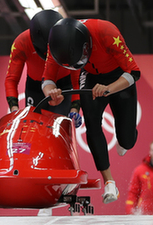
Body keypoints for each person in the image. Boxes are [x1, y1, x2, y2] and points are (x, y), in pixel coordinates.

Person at [42, 17, 141, 205]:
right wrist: (51, 93)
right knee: (92, 123)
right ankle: (109, 182)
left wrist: (109, 88)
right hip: (91, 78)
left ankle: (126, 140)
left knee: (127, 140)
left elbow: (134, 72)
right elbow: (47, 79)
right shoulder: (55, 43)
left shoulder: (107, 32)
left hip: (120, 77)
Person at [4, 9, 81, 123]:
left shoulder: (67, 40)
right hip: (35, 88)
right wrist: (14, 109)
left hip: (61, 88)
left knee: (58, 124)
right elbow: (11, 79)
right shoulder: (22, 42)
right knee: (33, 126)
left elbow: (76, 79)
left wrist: (75, 108)